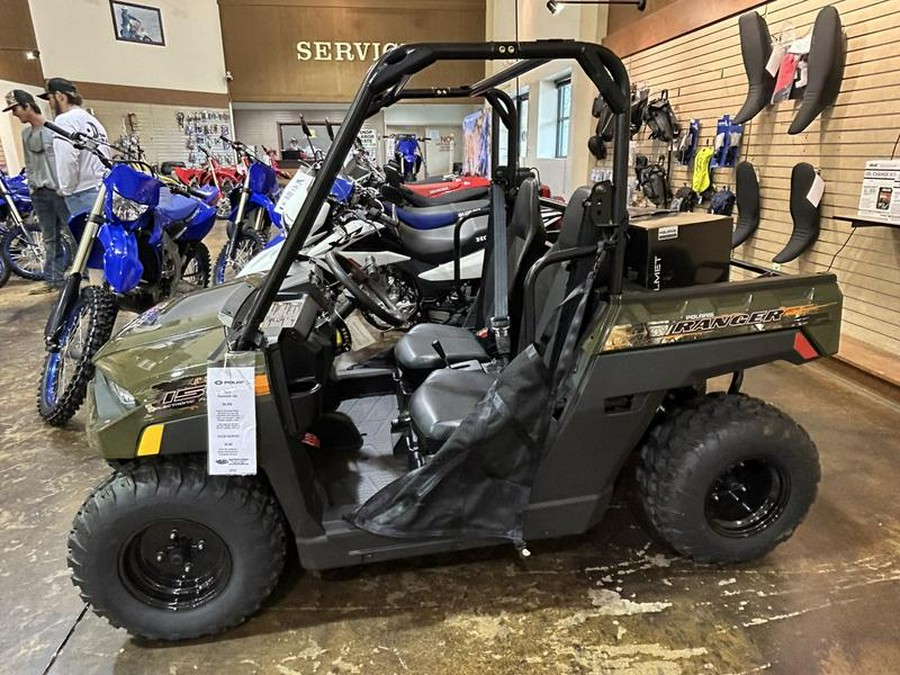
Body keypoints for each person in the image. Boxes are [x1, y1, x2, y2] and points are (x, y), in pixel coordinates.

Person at [3, 89, 72, 294]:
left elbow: (66, 160)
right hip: (39, 193)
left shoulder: (55, 128)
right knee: (50, 238)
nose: (15, 115)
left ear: (26, 105)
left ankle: (83, 275)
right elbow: (30, 164)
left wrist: (64, 186)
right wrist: (32, 185)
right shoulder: (26, 134)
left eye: (15, 109)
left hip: (60, 192)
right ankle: (53, 280)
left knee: (74, 233)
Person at [38, 78, 110, 217]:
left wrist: (65, 189)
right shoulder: (93, 121)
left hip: (82, 193)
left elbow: (67, 158)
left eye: (51, 99)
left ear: (60, 96)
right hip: (102, 189)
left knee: (85, 237)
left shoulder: (64, 120)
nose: (51, 105)